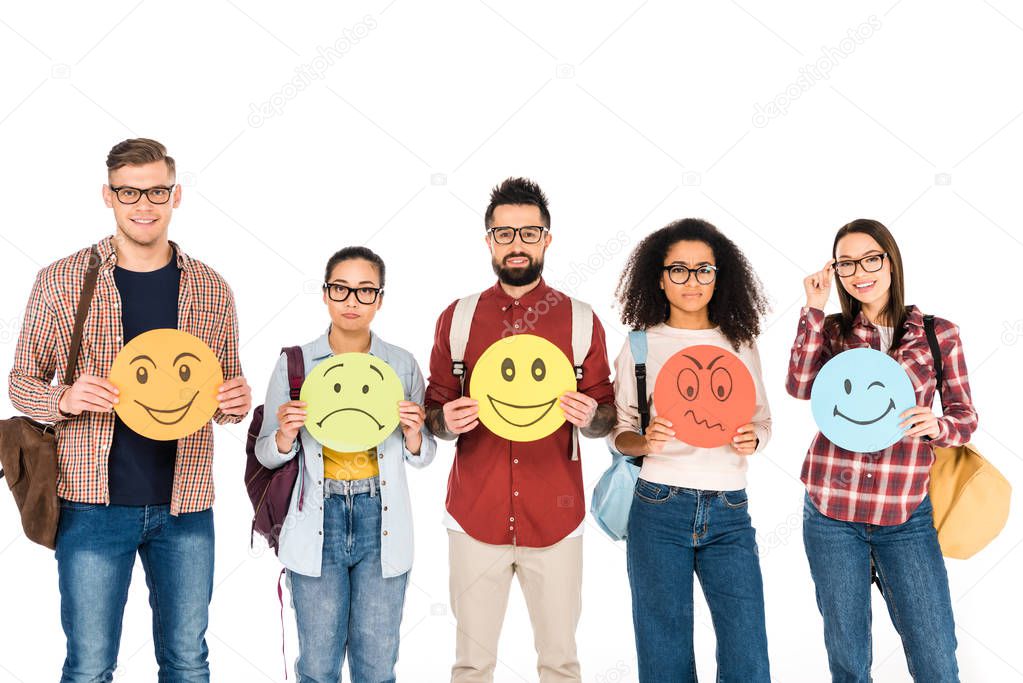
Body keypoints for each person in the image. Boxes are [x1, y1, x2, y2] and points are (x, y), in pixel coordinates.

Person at [8, 138, 252, 682]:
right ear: (108, 195)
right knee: (91, 665)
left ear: (176, 195)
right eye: (130, 192)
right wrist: (62, 399)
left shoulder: (212, 289)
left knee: (188, 662)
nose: (144, 204)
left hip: (185, 507)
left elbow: (224, 394)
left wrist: (236, 403)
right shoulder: (63, 280)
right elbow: (21, 382)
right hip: (92, 506)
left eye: (157, 191)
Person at [424, 177, 615, 683]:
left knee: (560, 664)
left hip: (555, 519)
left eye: (529, 233)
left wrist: (588, 416)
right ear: (488, 240)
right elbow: (431, 414)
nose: (516, 244)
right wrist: (446, 420)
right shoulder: (458, 318)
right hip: (474, 516)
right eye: (504, 233)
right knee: (471, 665)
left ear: (547, 239)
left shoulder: (579, 320)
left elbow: (608, 418)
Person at [786, 218, 978, 682]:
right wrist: (813, 307)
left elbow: (965, 417)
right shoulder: (832, 331)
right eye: (846, 263)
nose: (860, 271)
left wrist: (937, 424)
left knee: (935, 655)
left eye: (870, 258)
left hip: (904, 514)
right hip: (832, 511)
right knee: (849, 661)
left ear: (891, 261)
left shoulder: (938, 333)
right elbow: (799, 386)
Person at [255, 246, 436, 682]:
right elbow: (265, 453)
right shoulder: (295, 365)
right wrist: (285, 435)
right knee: (318, 668)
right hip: (318, 519)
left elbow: (425, 454)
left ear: (379, 299)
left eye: (364, 290)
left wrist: (414, 434)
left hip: (382, 519)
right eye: (341, 288)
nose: (352, 300)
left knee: (376, 667)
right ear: (325, 294)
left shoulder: (402, 365)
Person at [612, 218, 773, 682]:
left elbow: (763, 419)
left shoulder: (739, 343)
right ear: (659, 278)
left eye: (704, 269)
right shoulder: (641, 345)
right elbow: (621, 430)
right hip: (658, 506)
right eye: (678, 270)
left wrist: (753, 438)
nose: (692, 281)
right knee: (664, 651)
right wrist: (645, 441)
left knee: (747, 652)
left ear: (720, 276)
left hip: (729, 508)